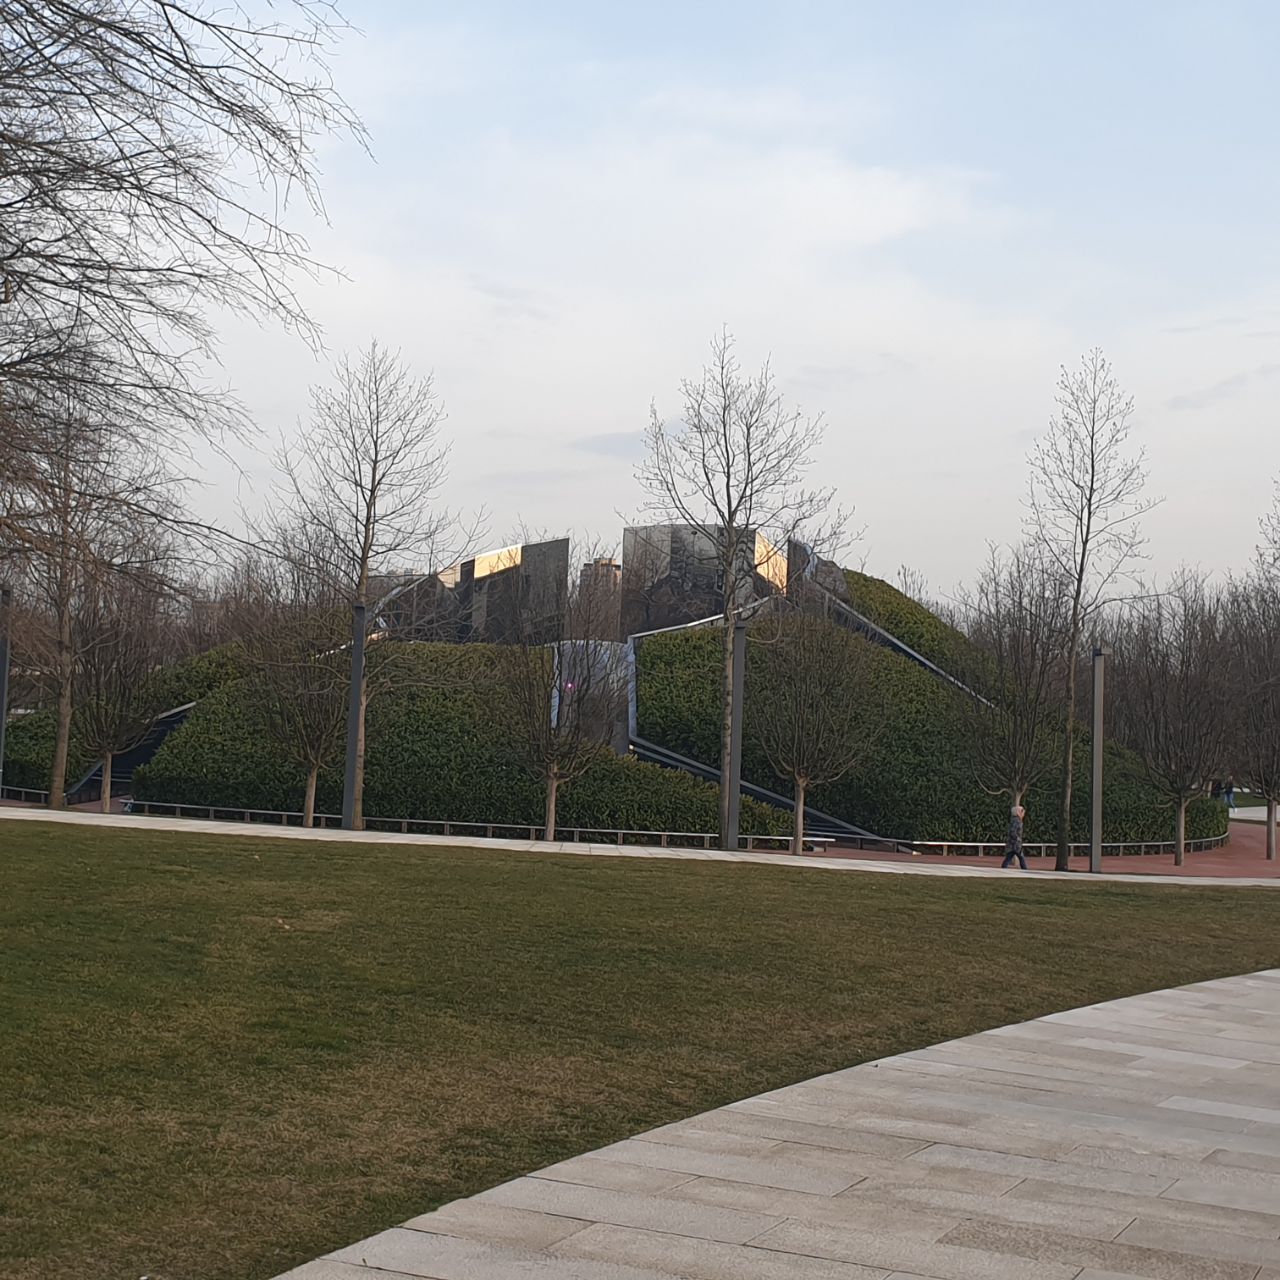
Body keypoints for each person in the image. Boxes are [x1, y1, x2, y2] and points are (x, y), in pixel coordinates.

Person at [1001, 804, 1028, 870]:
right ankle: (1025, 870)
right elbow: (1013, 831)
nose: (1023, 814)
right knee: (1021, 857)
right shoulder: (1017, 821)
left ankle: (1003, 868)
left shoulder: (1015, 820)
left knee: (1009, 857)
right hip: (1015, 844)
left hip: (1013, 844)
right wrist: (1017, 839)